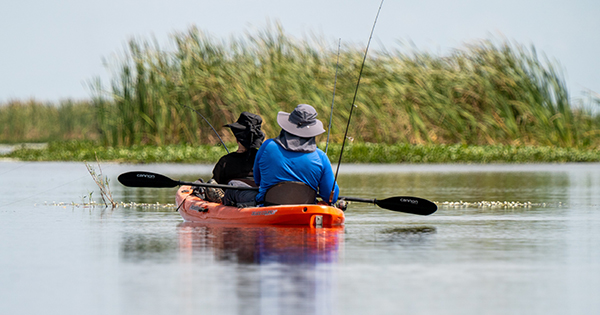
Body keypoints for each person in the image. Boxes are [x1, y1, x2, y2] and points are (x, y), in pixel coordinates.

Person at [252, 104, 340, 206]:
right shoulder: (321, 158)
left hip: (268, 207)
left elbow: (257, 180)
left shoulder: (267, 146)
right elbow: (331, 197)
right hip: (306, 211)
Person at [201, 112, 265, 206]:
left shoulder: (225, 162)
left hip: (234, 201)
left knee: (210, 184)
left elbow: (216, 184)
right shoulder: (263, 159)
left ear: (237, 139)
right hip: (259, 198)